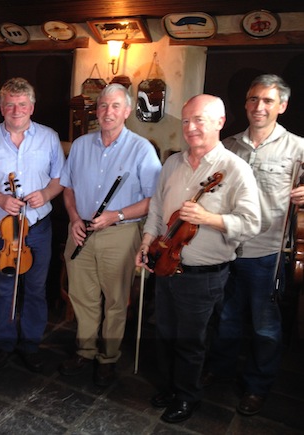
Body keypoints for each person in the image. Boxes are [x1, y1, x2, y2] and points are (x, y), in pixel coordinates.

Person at [136, 94, 261, 423]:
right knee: (164, 334)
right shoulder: (172, 164)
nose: (191, 127)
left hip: (204, 274)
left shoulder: (235, 170)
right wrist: (147, 241)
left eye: (199, 120)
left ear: (220, 123)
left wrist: (210, 218)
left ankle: (187, 396)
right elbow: (156, 212)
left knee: (191, 341)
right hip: (165, 264)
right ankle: (168, 386)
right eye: (186, 120)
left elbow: (252, 223)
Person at [202, 75, 304, 416]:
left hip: (267, 252)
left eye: (268, 101)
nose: (259, 106)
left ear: (282, 106)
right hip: (227, 246)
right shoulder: (228, 145)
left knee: (264, 324)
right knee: (226, 316)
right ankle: (220, 369)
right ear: (245, 103)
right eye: (253, 99)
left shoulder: (298, 148)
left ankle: (258, 387)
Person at [59, 83, 162, 386]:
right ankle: (86, 350)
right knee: (83, 295)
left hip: (120, 232)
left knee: (116, 300)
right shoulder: (80, 145)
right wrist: (74, 218)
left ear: (127, 111)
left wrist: (116, 215)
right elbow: (68, 187)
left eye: (115, 106)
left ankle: (109, 357)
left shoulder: (142, 148)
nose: (108, 112)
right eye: (103, 105)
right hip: (81, 231)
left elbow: (154, 198)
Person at [0, 77, 65, 372]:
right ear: (1, 107)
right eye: (9, 104)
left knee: (35, 288)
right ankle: (5, 343)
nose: (16, 109)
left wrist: (45, 193)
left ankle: (31, 344)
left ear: (32, 107)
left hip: (38, 228)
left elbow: (60, 179)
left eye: (22, 104)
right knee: (2, 289)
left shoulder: (48, 137)